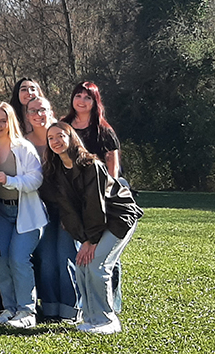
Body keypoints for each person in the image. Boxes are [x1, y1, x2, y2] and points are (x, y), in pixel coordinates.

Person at [42, 122, 142, 334]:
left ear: (72, 138)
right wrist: (84, 239)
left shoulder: (91, 166)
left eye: (60, 136)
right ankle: (91, 319)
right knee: (82, 266)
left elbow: (95, 206)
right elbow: (68, 211)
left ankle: (107, 320)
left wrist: (91, 241)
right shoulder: (57, 171)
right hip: (94, 226)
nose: (56, 141)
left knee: (98, 266)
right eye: (51, 138)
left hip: (118, 218)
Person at [60, 81, 125, 312]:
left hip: (103, 196)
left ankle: (112, 303)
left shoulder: (103, 130)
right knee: (82, 252)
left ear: (95, 101)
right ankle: (86, 304)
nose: (81, 101)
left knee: (106, 255)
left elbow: (113, 167)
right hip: (75, 196)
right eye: (78, 95)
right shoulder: (64, 126)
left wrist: (106, 196)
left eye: (87, 97)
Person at [0, 101, 48, 329]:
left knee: (19, 259)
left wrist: (9, 181)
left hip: (25, 212)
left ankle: (27, 310)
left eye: (3, 120)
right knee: (0, 260)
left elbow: (36, 179)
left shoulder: (23, 147)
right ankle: (9, 307)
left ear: (11, 122)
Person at [26, 97, 80, 323]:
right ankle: (49, 308)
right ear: (27, 116)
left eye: (42, 110)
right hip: (42, 211)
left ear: (51, 111)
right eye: (33, 111)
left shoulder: (64, 136)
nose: (38, 114)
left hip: (68, 211)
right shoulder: (24, 142)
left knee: (65, 257)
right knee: (47, 259)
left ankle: (70, 309)